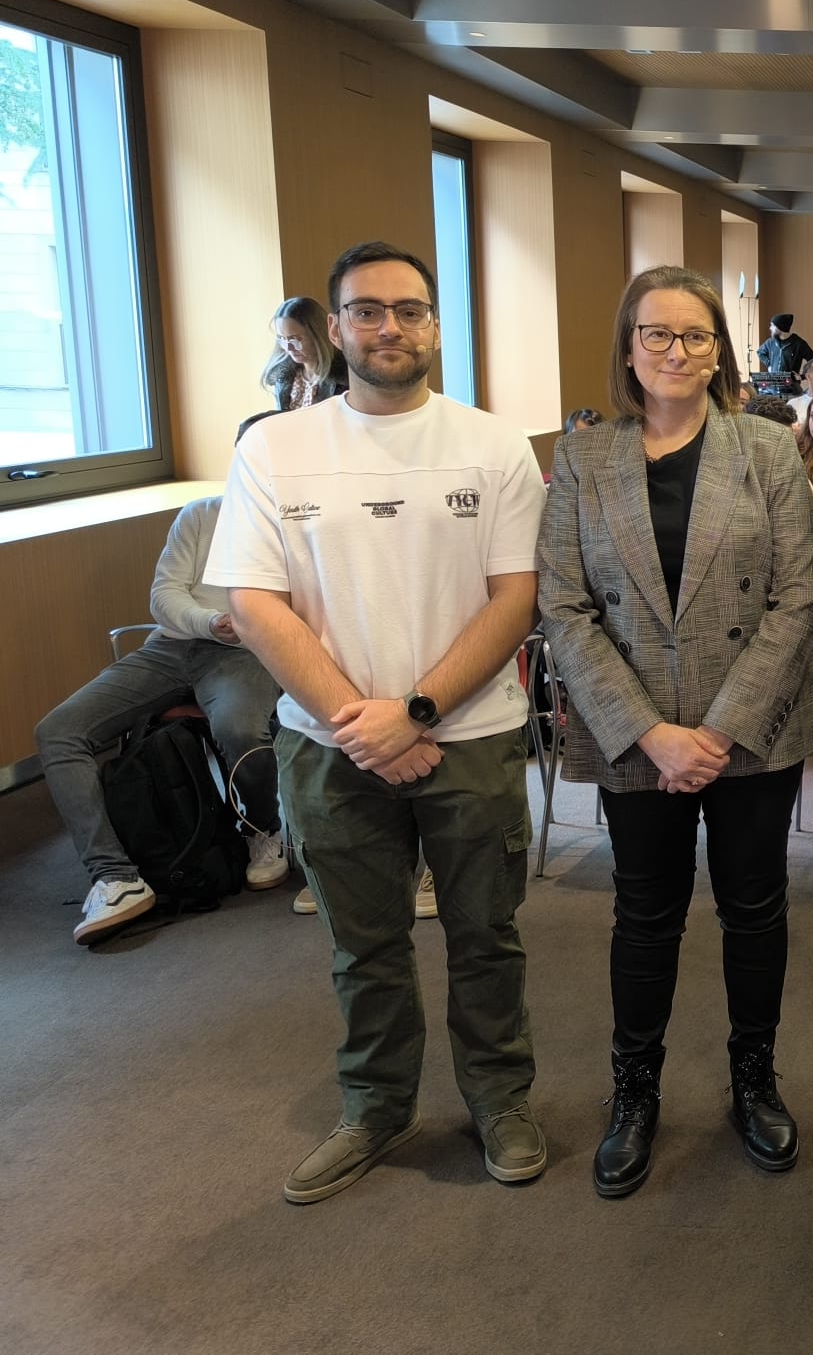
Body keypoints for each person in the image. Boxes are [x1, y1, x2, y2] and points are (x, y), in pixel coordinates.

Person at [208, 240, 549, 1204]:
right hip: (328, 749)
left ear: (436, 325)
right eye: (367, 311)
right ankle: (375, 1105)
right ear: (336, 328)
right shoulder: (274, 449)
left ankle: (499, 1098)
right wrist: (362, 725)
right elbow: (256, 602)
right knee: (364, 943)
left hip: (471, 736)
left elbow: (513, 597)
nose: (389, 327)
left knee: (487, 934)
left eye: (408, 310)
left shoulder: (492, 445)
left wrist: (417, 712)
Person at [538, 266, 813, 1198]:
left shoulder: (767, 448)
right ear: (628, 347)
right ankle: (635, 1093)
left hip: (753, 727)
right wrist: (651, 733)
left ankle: (755, 1079)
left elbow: (798, 596)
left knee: (754, 908)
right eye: (656, 334)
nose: (676, 351)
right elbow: (563, 604)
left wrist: (716, 728)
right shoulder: (584, 458)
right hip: (636, 734)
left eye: (696, 336)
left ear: (722, 351)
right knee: (645, 915)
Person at [39, 417, 289, 946]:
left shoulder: (300, 522)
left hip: (248, 653)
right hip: (173, 644)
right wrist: (210, 622)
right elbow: (164, 595)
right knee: (58, 732)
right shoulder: (201, 515)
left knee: (241, 732)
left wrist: (241, 628)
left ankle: (263, 831)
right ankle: (115, 877)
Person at [262, 296, 347, 411]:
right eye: (282, 339)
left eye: (295, 339)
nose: (289, 348)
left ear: (318, 336)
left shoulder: (344, 377)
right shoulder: (283, 375)